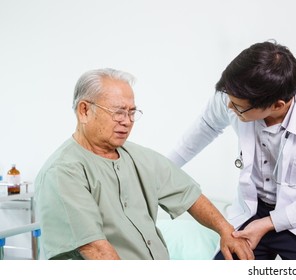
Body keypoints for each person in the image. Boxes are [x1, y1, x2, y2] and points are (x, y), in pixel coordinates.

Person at [35, 68, 253, 260]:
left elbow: (189, 195)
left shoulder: (141, 157)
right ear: (84, 110)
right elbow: (96, 250)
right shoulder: (63, 172)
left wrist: (225, 231)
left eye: (131, 112)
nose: (127, 121)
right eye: (118, 112)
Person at [167, 41, 296, 260]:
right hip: (252, 209)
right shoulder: (235, 95)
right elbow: (206, 127)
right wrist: (160, 169)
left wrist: (269, 223)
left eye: (238, 107)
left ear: (277, 105)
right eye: (228, 99)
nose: (229, 107)